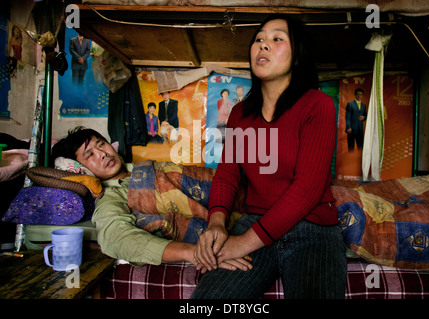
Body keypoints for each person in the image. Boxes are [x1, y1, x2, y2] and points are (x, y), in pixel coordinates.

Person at [191, 14, 347, 299]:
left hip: (312, 231)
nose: (263, 45)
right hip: (254, 222)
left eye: (277, 39)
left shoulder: (317, 104)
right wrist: (216, 224)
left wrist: (243, 244)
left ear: (297, 57)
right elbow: (226, 176)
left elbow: (308, 189)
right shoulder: (240, 113)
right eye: (259, 39)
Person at [51, 127, 252, 271]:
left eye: (101, 144)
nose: (103, 154)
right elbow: (116, 238)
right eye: (90, 155)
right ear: (83, 170)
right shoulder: (112, 198)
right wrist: (191, 252)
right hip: (235, 229)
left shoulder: (143, 167)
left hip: (245, 195)